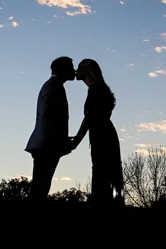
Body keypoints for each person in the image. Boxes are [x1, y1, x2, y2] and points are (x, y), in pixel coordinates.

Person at [70, 59, 124, 209]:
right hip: (103, 135)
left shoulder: (95, 90)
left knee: (103, 176)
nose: (76, 70)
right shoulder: (98, 89)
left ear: (88, 70)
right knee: (108, 176)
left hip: (102, 138)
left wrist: (76, 141)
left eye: (79, 67)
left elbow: (89, 117)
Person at [25, 56, 76, 200]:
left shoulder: (53, 85)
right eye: (71, 68)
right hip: (46, 145)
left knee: (41, 187)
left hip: (46, 144)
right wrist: (60, 141)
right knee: (40, 189)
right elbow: (48, 115)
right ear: (62, 69)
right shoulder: (53, 86)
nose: (74, 71)